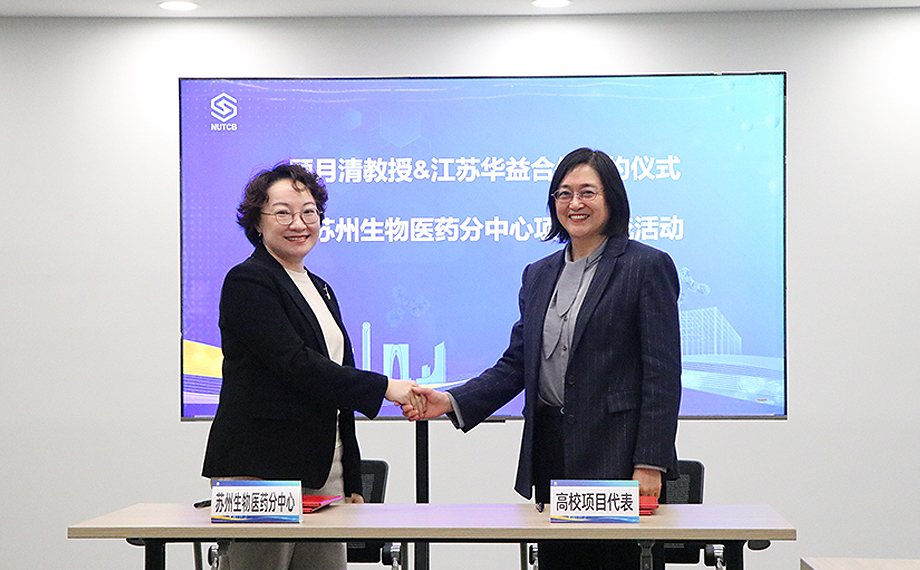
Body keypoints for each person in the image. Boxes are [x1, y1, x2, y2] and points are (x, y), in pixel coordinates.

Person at [404, 148, 682, 570]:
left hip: (617, 453)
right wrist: (451, 400)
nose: (574, 203)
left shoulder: (645, 266)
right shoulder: (538, 274)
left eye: (587, 192)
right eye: (563, 193)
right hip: (552, 451)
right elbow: (518, 363)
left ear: (611, 198)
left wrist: (649, 462)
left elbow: (662, 376)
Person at [202, 162, 419, 570]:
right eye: (283, 213)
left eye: (309, 212)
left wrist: (351, 477)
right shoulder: (248, 281)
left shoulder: (320, 288)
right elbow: (296, 364)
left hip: (323, 471)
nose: (299, 224)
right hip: (261, 471)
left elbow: (335, 390)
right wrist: (385, 387)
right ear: (257, 222)